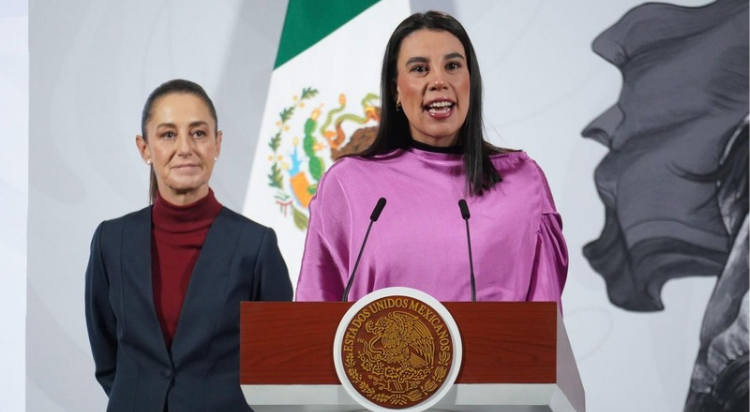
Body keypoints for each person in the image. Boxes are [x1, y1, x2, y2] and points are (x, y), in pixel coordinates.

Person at [295, 11, 567, 304]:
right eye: (420, 69)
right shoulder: (347, 184)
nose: (439, 80)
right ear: (395, 89)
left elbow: (543, 321)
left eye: (452, 66)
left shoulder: (523, 182)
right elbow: (314, 313)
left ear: (471, 81)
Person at [85, 79, 293, 412]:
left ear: (217, 144)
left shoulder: (256, 246)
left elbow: (278, 365)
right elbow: (107, 357)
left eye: (198, 133)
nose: (185, 148)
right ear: (144, 148)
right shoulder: (111, 241)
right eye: (168, 134)